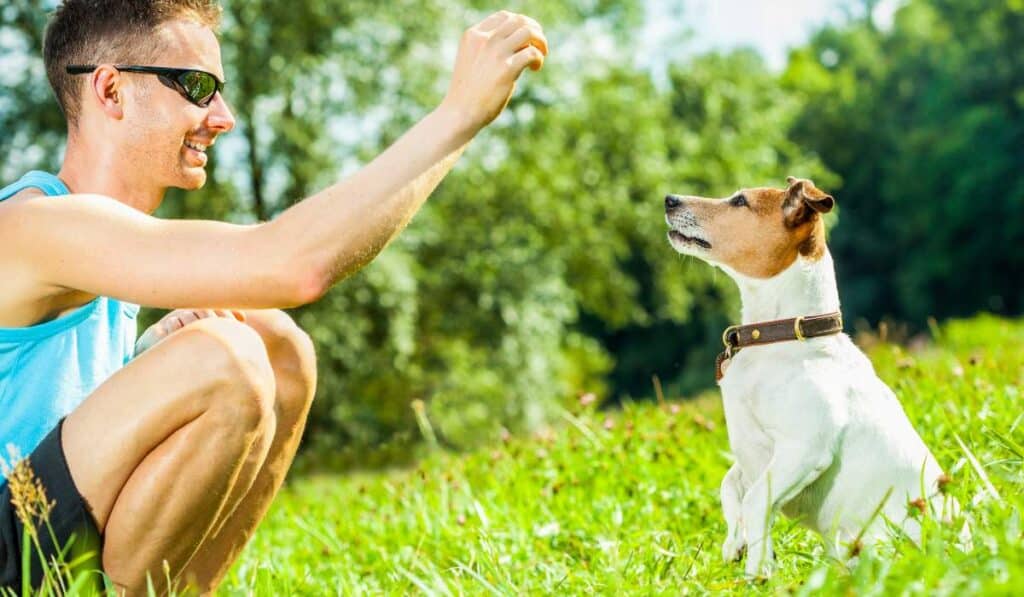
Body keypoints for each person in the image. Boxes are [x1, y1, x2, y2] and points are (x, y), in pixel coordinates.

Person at [0, 0, 547, 593]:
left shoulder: (106, 252)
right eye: (197, 86)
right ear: (111, 91)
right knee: (223, 358)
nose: (224, 116)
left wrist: (143, 356)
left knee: (276, 344)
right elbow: (293, 265)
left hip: (37, 526)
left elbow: (35, 411)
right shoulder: (38, 225)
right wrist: (459, 114)